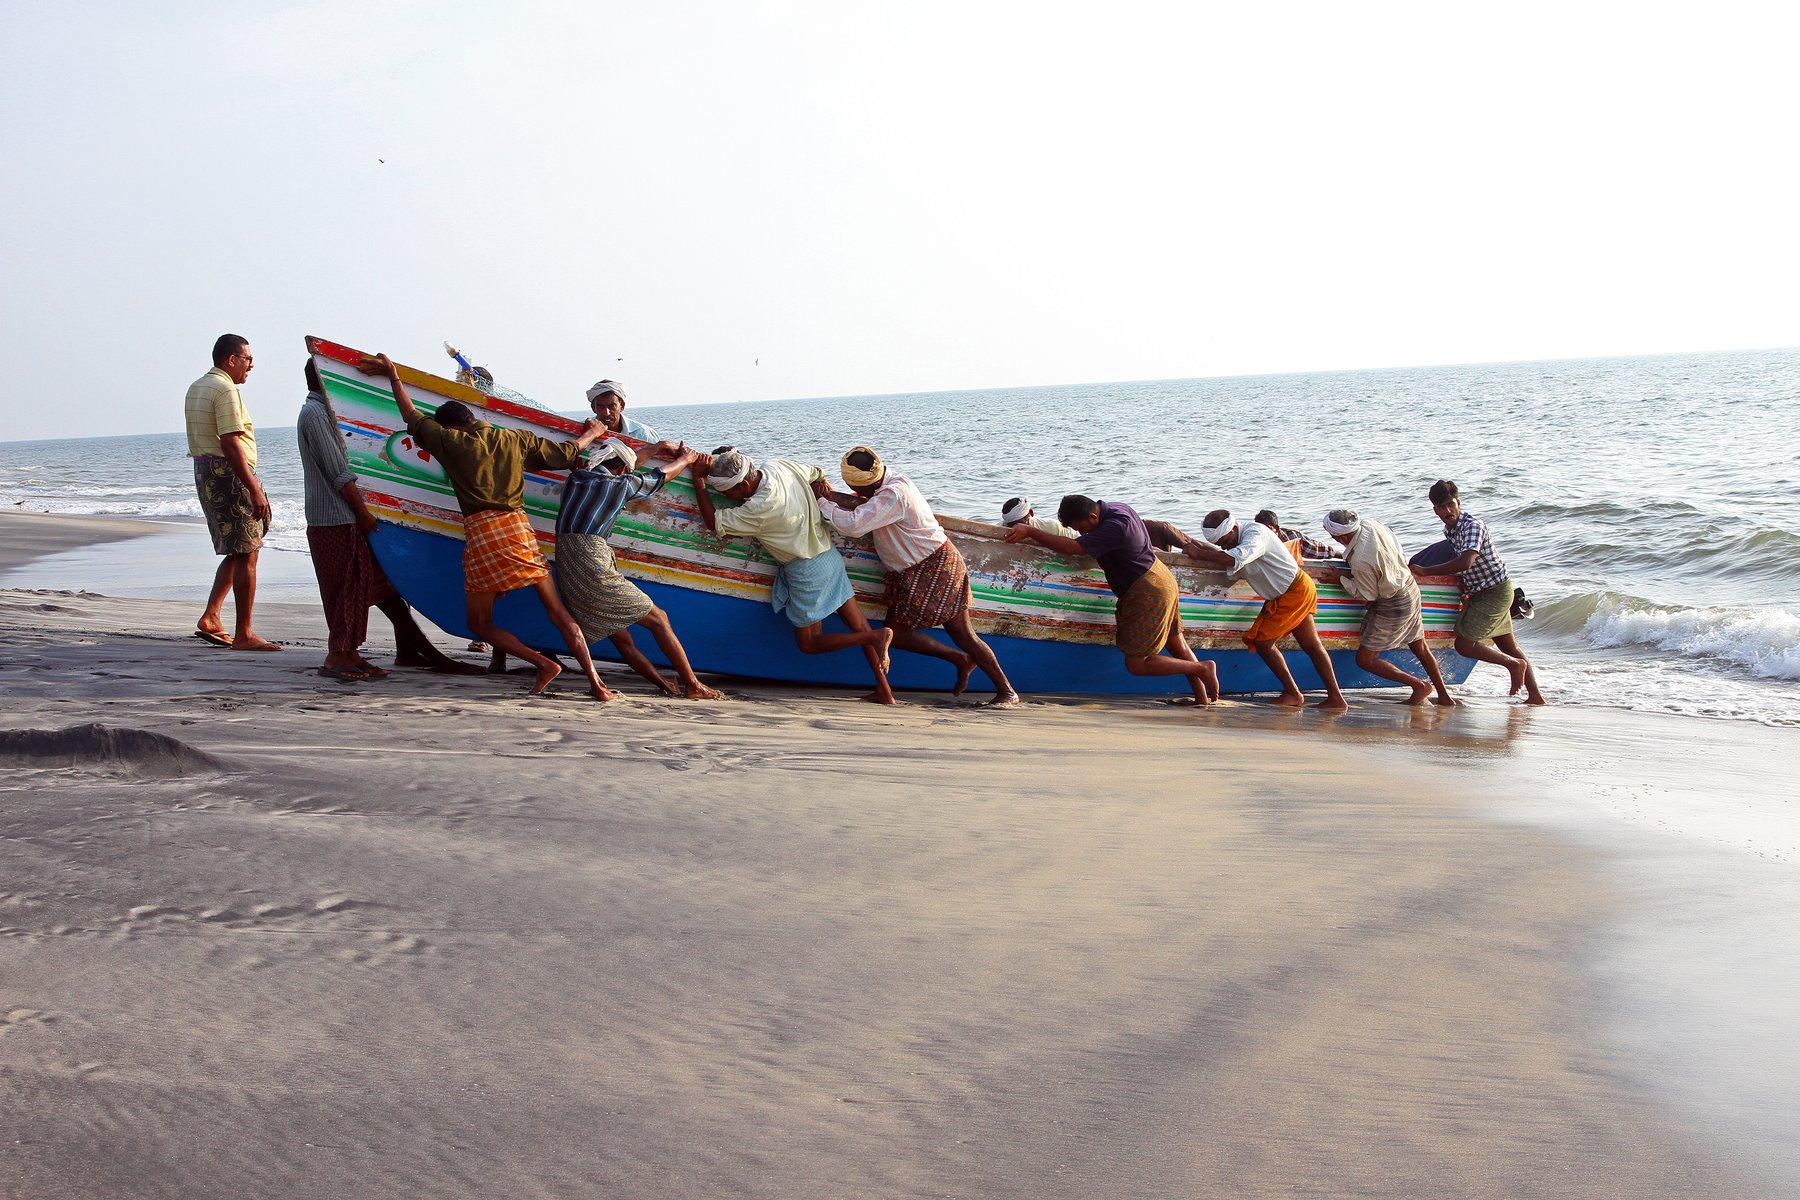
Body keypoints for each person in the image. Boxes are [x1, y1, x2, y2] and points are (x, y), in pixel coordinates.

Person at [369, 353, 615, 699]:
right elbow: (565, 454)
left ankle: (544, 664)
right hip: (519, 530)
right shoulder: (515, 439)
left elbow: (411, 416)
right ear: (473, 418)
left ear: (452, 427)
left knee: (479, 624)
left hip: (485, 535)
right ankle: (596, 683)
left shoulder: (451, 442)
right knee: (558, 612)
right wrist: (592, 433)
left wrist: (394, 376)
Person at [296, 361, 484, 682]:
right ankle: (336, 656)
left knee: (366, 584)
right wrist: (364, 512)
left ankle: (358, 652)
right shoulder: (315, 414)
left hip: (342, 514)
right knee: (344, 587)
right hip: (335, 516)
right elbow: (337, 471)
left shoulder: (324, 412)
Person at [690, 446, 895, 704]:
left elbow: (714, 523)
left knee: (809, 643)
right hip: (828, 557)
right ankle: (885, 691)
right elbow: (817, 473)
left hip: (806, 571)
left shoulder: (759, 508)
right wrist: (821, 485)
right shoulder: (778, 465)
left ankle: (875, 636)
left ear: (743, 486)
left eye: (728, 493)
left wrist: (698, 482)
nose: (728, 498)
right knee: (859, 624)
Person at [818, 447, 1020, 707]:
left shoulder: (893, 494)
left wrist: (822, 502)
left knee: (964, 635)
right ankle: (958, 660)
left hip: (936, 566)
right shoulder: (888, 486)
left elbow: (854, 525)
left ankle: (1007, 692)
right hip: (912, 570)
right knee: (896, 635)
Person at [553, 437, 724, 700]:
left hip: (567, 566)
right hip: (592, 563)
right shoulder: (619, 485)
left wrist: (656, 448)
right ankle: (692, 684)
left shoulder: (578, 477)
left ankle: (663, 682)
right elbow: (659, 477)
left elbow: (630, 465)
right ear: (622, 469)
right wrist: (686, 460)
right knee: (659, 619)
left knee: (618, 634)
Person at [1004, 495, 1218, 703]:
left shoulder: (1115, 527)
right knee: (1176, 643)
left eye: (1082, 529)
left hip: (1146, 590)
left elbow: (1075, 549)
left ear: (1093, 517)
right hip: (1161, 579)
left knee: (1137, 664)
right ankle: (1202, 699)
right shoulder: (1118, 508)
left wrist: (1031, 531)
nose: (1081, 533)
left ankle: (1202, 668)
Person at [1187, 509, 1348, 710]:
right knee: (1312, 646)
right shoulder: (1238, 539)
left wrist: (1200, 554)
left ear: (1235, 528)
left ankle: (1294, 693)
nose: (1223, 546)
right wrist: (1192, 546)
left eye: (1224, 540)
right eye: (1218, 543)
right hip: (1287, 594)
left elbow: (1237, 558)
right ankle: (1335, 698)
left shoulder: (1255, 533)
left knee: (1264, 642)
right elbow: (1226, 555)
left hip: (1295, 591)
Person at [184, 334, 281, 652]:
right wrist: (254, 488)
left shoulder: (198, 386)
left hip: (207, 471)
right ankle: (244, 633)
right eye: (248, 359)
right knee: (248, 551)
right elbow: (230, 441)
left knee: (239, 549)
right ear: (231, 360)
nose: (251, 366)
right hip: (229, 472)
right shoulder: (225, 389)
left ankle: (212, 616)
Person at [1410, 480, 1545, 705]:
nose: (1447, 511)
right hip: (1482, 592)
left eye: (1450, 505)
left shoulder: (1473, 526)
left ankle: (1514, 665)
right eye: (1441, 507)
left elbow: (1466, 561)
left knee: (1464, 644)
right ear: (1435, 510)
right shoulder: (1450, 530)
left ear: (1458, 503)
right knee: (1509, 647)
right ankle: (1536, 697)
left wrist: (1425, 571)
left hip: (1494, 591)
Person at [1320, 507, 1456, 706]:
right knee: (1420, 646)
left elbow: (1367, 594)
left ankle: (1419, 686)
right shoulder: (1371, 524)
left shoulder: (1360, 561)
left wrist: (1340, 579)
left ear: (1341, 537)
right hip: (1409, 587)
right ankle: (1444, 695)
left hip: (1393, 601)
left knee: (1365, 659)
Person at [1251, 508, 1341, 560]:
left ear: (1276, 528)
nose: (1263, 533)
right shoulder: (1252, 538)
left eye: (1267, 529)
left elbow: (1317, 550)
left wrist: (1345, 556)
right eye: (1259, 529)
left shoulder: (1292, 537)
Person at [585, 380, 658, 442]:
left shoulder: (643, 434)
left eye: (612, 406)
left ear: (622, 406)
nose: (606, 413)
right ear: (593, 408)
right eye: (601, 407)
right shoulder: (581, 432)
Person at [998, 496, 1078, 539]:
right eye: (1011, 525)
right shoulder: (999, 530)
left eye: (1020, 523)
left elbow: (1077, 541)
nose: (1017, 528)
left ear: (1031, 513)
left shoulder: (1052, 526)